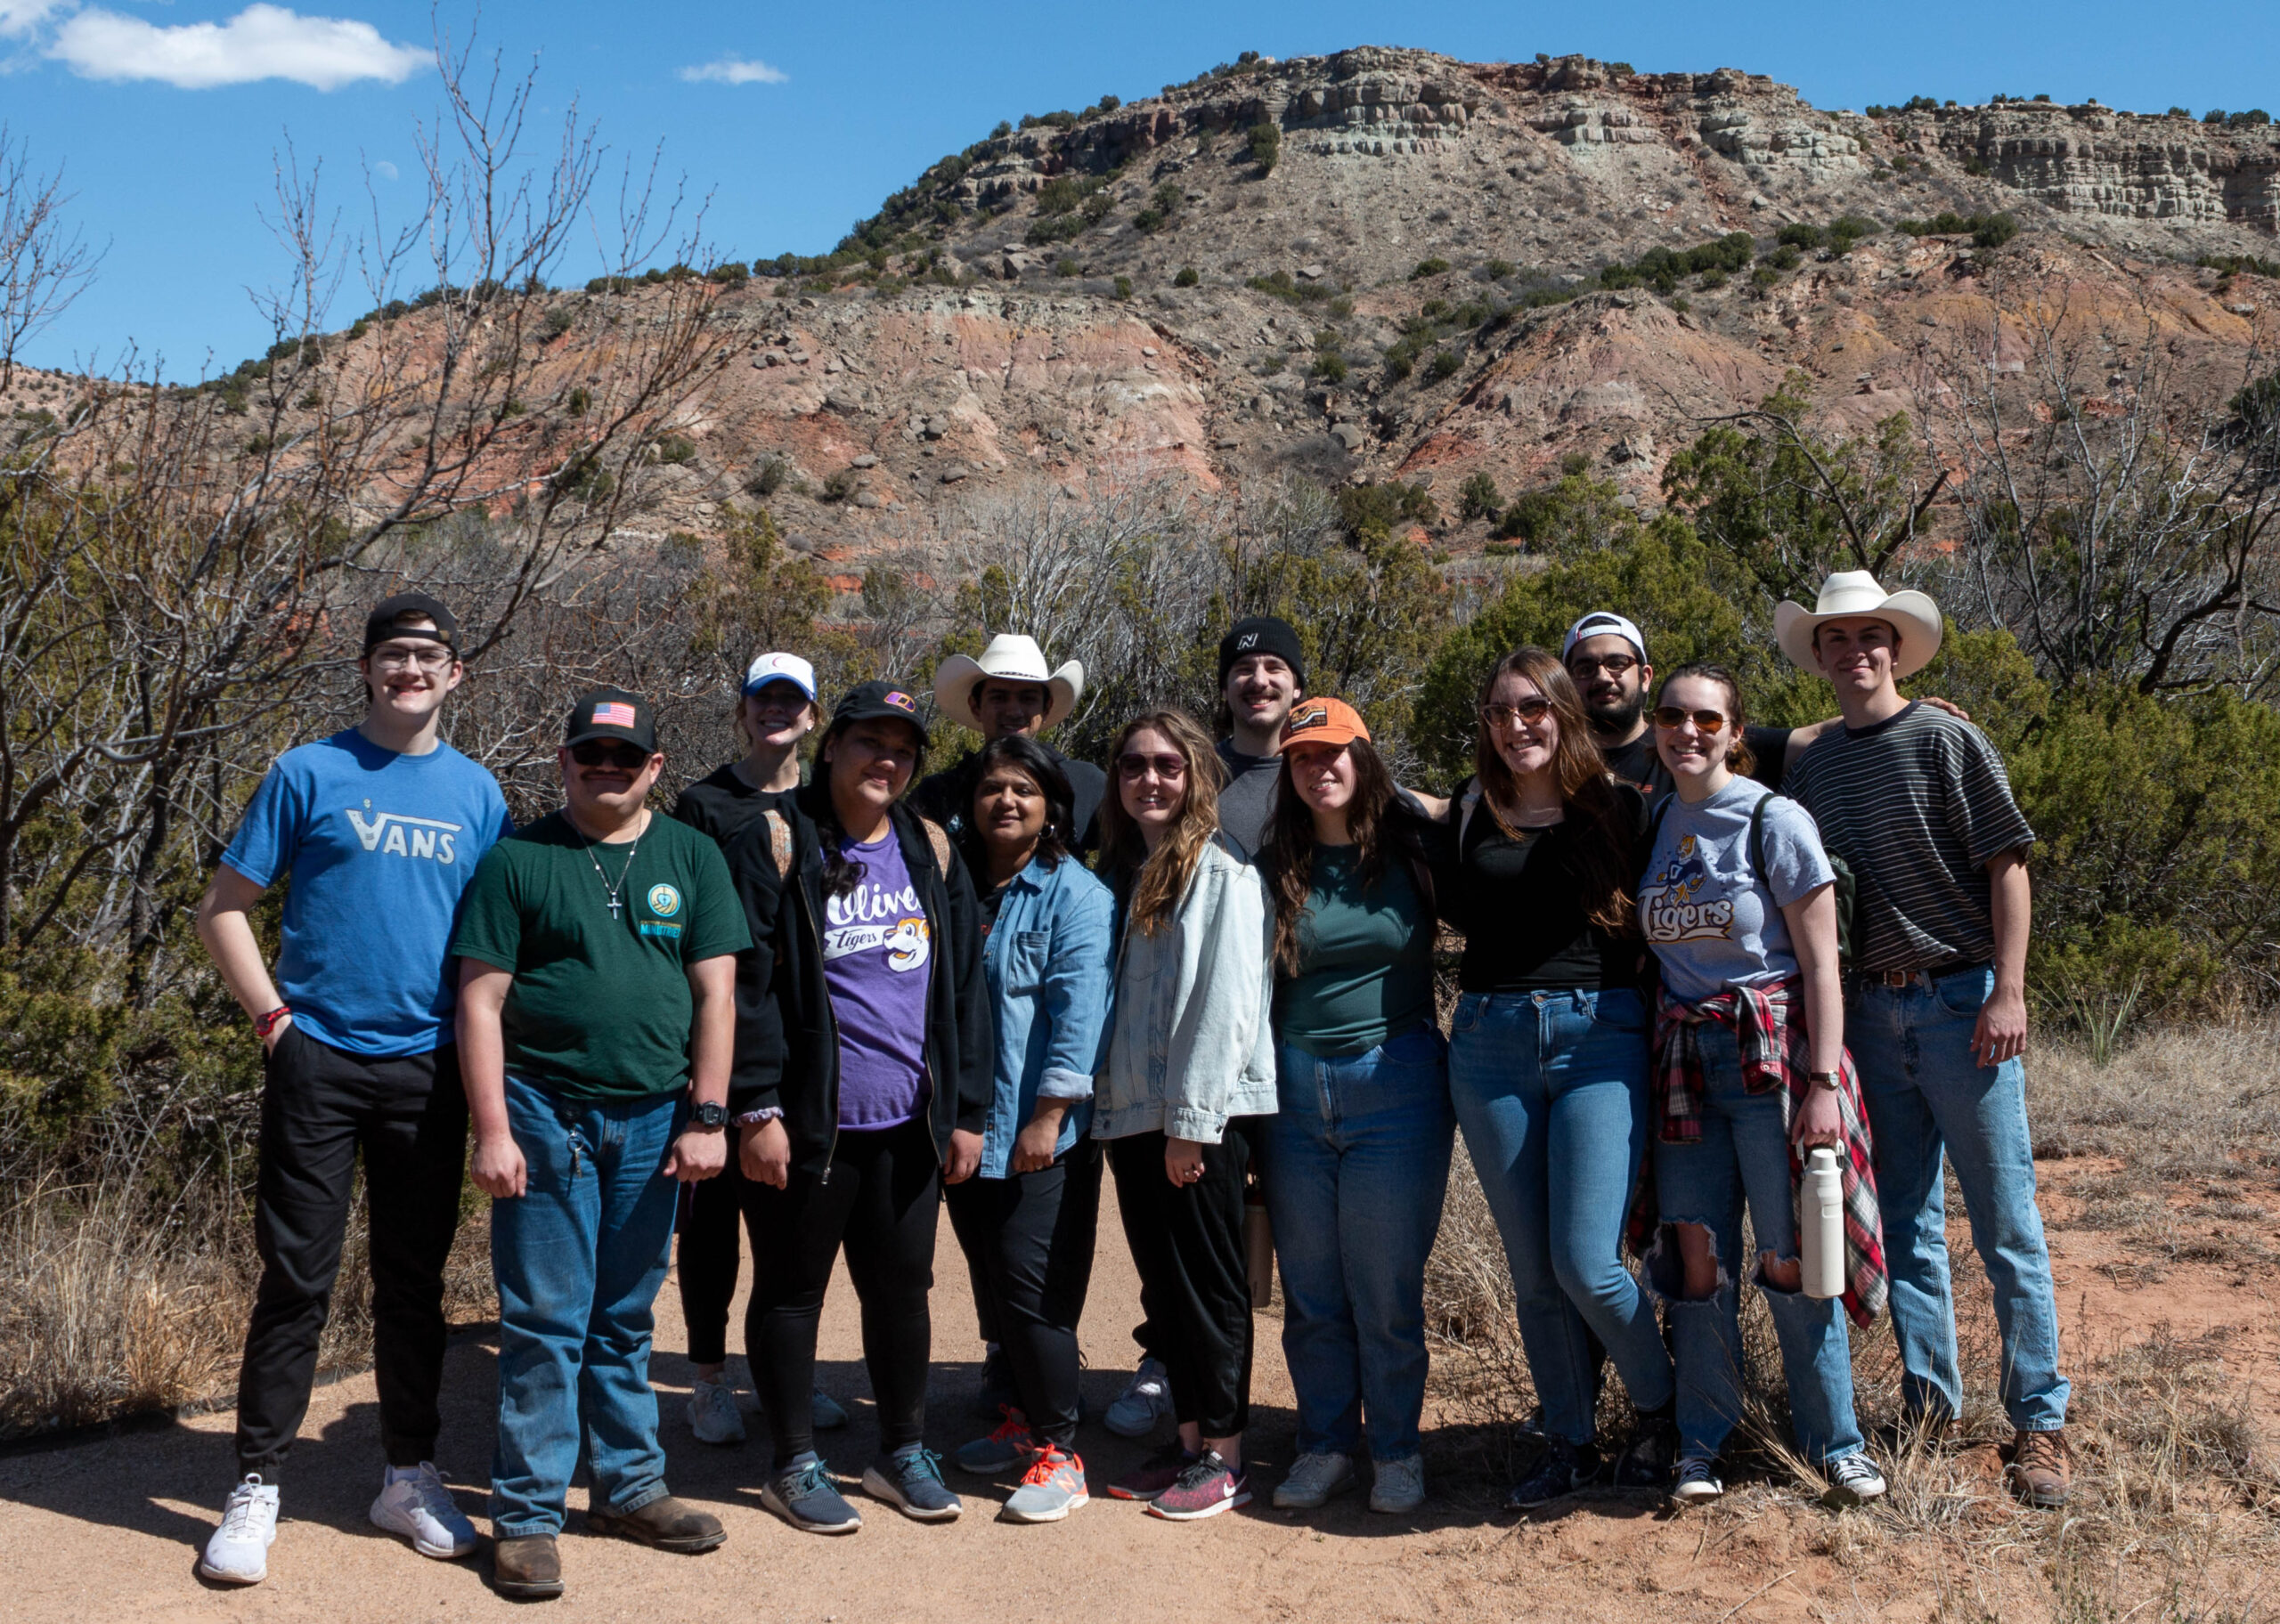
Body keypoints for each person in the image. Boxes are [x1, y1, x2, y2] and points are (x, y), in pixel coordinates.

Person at [192, 592, 511, 1587]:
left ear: (455, 673)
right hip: (319, 1059)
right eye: (392, 655)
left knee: (414, 1285)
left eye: (427, 655)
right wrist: (274, 1024)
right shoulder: (308, 771)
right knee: (297, 1279)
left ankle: (408, 1477)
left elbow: (493, 946)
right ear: (367, 669)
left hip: (428, 1068)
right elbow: (224, 908)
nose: (410, 670)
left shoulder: (478, 795)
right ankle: (256, 1485)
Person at [1776, 572, 2072, 1508]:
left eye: (1871, 636)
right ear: (1818, 654)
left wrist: (2008, 991)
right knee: (1905, 1222)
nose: (1854, 651)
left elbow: (2007, 865)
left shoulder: (1947, 737)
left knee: (2005, 1224)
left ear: (1896, 647)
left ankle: (2039, 1422)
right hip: (1868, 1013)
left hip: (1959, 1003)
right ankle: (1931, 1408)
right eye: (1835, 638)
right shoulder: (1811, 765)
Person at [452, 686, 750, 1600]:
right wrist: (493, 1131)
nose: (607, 769)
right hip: (545, 1113)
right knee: (545, 1322)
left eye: (626, 757)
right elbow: (479, 1002)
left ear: (655, 767)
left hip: (657, 1117)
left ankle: (628, 1489)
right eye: (591, 754)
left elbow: (716, 993)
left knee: (624, 1315)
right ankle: (527, 1517)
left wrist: (708, 1118)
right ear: (564, 762)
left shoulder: (691, 855)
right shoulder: (519, 859)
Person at [719, 681, 992, 1535]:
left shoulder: (930, 848)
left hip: (907, 1124)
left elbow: (963, 988)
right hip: (808, 1125)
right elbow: (743, 985)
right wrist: (755, 1107)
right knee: (791, 1293)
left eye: (903, 750)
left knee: (902, 1293)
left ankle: (900, 1452)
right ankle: (793, 1464)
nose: (887, 761)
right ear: (831, 745)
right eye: (871, 742)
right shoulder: (775, 838)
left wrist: (968, 1110)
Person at [1635, 664, 1888, 1506]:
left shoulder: (1773, 819)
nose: (1688, 731)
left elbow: (1822, 965)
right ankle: (1703, 1442)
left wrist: (1823, 1084)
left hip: (1772, 1063)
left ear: (1736, 732)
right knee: (1697, 1264)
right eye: (1672, 715)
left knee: (1794, 1258)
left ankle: (1835, 1444)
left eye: (1708, 719)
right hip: (1684, 1067)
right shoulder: (1656, 820)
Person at [1433, 647, 1678, 1507]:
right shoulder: (1469, 808)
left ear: (1564, 712)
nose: (1516, 726)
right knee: (1533, 1274)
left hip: (1598, 1038)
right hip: (1489, 1042)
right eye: (1499, 712)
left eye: (1532, 707)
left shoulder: (1622, 807)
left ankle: (1662, 1412)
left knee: (1585, 1261)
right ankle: (1571, 1442)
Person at [1254, 699, 1452, 1517]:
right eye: (1302, 756)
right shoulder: (1271, 863)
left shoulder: (1415, 849)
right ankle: (1326, 1444)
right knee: (1311, 1290)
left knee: (1385, 1287)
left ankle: (1397, 1451)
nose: (1318, 768)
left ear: (1364, 759)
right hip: (1293, 1090)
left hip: (1396, 1081)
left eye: (1333, 752)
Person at [1093, 710, 1277, 1521]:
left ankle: (1226, 1458)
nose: (1150, 779)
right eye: (1134, 765)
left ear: (1197, 774)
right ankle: (1190, 1441)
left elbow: (1225, 1007)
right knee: (1166, 1289)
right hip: (1138, 1115)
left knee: (1208, 1287)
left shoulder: (1223, 873)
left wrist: (1192, 1125)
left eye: (1168, 765)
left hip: (1197, 1121)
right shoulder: (1135, 871)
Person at [666, 652, 848, 1445]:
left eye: (792, 701)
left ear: (813, 716)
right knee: (711, 1226)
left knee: (793, 1226)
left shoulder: (827, 804)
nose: (777, 711)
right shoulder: (703, 804)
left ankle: (786, 1375)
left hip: (804, 1043)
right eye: (762, 699)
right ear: (742, 711)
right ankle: (709, 1381)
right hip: (716, 1038)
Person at [941, 735, 1117, 1522]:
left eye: (1024, 790)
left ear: (1052, 808)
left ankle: (1060, 1452)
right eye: (992, 789)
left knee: (1033, 1291)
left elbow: (1080, 1021)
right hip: (964, 1129)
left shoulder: (1076, 895)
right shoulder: (955, 882)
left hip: (1035, 1131)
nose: (1006, 802)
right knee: (995, 1288)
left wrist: (1048, 1119)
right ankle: (1017, 1421)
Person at [1564, 609, 1967, 799]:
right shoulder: (1553, 762)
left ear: (1645, 675)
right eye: (1585, 668)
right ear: (1567, 682)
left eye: (1617, 663)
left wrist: (1902, 714)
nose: (1602, 677)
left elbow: (1816, 736)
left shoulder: (1697, 742)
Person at [913, 633, 1106, 858]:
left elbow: (1128, 851)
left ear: (1046, 708)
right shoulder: (937, 794)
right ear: (976, 707)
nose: (1013, 711)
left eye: (1027, 698)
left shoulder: (1086, 783)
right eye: (999, 698)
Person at [1210, 614, 1307, 857]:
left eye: (1274, 668)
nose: (1260, 681)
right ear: (1224, 688)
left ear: (1297, 687)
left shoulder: (1327, 770)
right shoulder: (1191, 776)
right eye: (1244, 669)